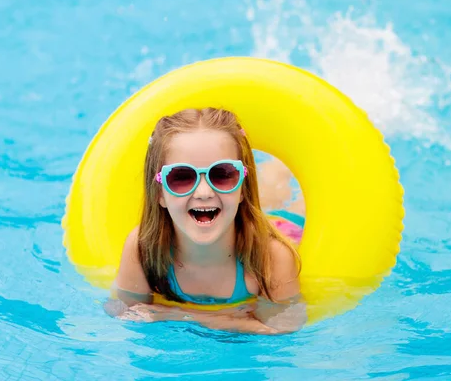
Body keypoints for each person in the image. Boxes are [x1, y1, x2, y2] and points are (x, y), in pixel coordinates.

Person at [107, 107, 306, 334]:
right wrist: (232, 319)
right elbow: (122, 310)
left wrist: (179, 315)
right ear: (160, 193)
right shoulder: (143, 248)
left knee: (286, 201)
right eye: (181, 177)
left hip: (286, 227)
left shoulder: (273, 257)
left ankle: (279, 167)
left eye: (222, 174)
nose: (203, 191)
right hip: (231, 215)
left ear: (243, 188)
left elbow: (285, 329)